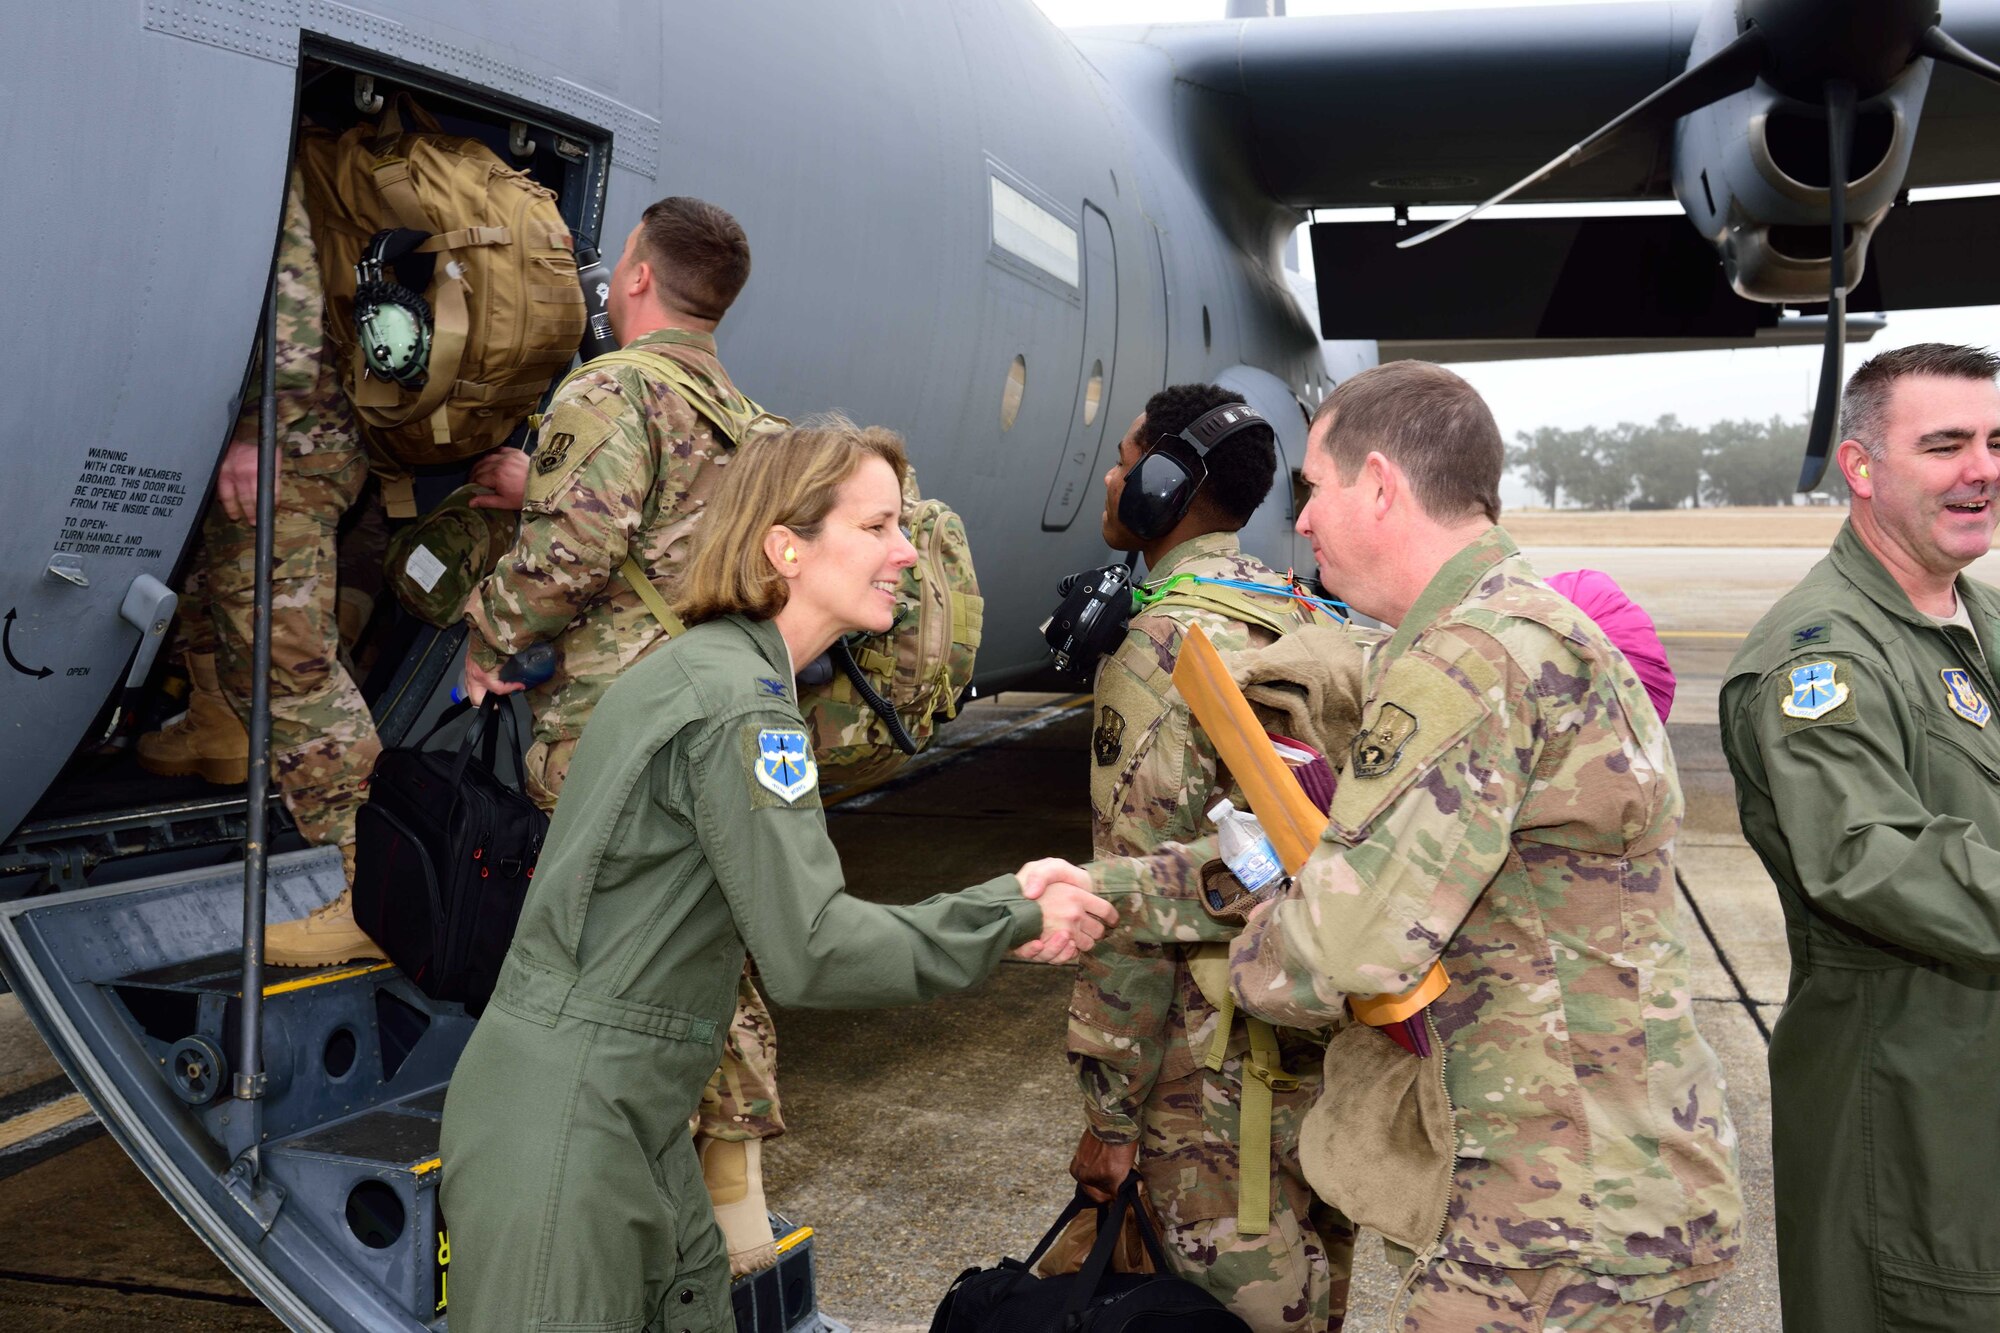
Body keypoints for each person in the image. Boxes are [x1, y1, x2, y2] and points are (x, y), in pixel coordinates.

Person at [1094, 361, 1742, 1331]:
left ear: (1382, 486)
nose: (1300, 521)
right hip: (1617, 1179)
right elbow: (1359, 866)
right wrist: (1143, 887)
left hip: (1551, 1222)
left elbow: (1343, 944)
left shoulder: (1467, 657)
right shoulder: (1536, 629)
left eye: (1314, 491)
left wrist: (1254, 961)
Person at [438, 418, 1119, 1333]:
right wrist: (1006, 913)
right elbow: (810, 950)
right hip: (575, 1125)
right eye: (877, 527)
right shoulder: (740, 712)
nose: (908, 553)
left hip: (620, 1111)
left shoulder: (709, 671)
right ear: (784, 548)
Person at [458, 195, 791, 1275]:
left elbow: (573, 558)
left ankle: (608, 1172)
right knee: (714, 930)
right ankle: (732, 1180)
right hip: (728, 715)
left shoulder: (611, 388)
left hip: (620, 733)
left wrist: (487, 635)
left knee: (608, 951)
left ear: (639, 272)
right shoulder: (754, 422)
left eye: (618, 266)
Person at [1719, 343, 2000, 1333]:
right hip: (1907, 1114)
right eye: (1944, 444)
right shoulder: (1825, 658)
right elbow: (1865, 856)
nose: (1982, 468)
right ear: (1861, 468)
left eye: (1994, 440)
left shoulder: (1977, 620)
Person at [1065, 384, 1355, 1331]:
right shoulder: (1312, 615)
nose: (1111, 478)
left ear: (1161, 485)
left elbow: (1132, 897)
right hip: (1327, 1056)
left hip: (1212, 1081)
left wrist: (1110, 1118)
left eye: (1123, 459)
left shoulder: (1161, 642)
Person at [136, 166, 384, 967]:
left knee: (289, 661)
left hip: (294, 431)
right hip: (267, 422)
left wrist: (260, 422)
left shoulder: (247, 139)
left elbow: (291, 284)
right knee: (220, 598)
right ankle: (215, 723)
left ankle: (374, 885)